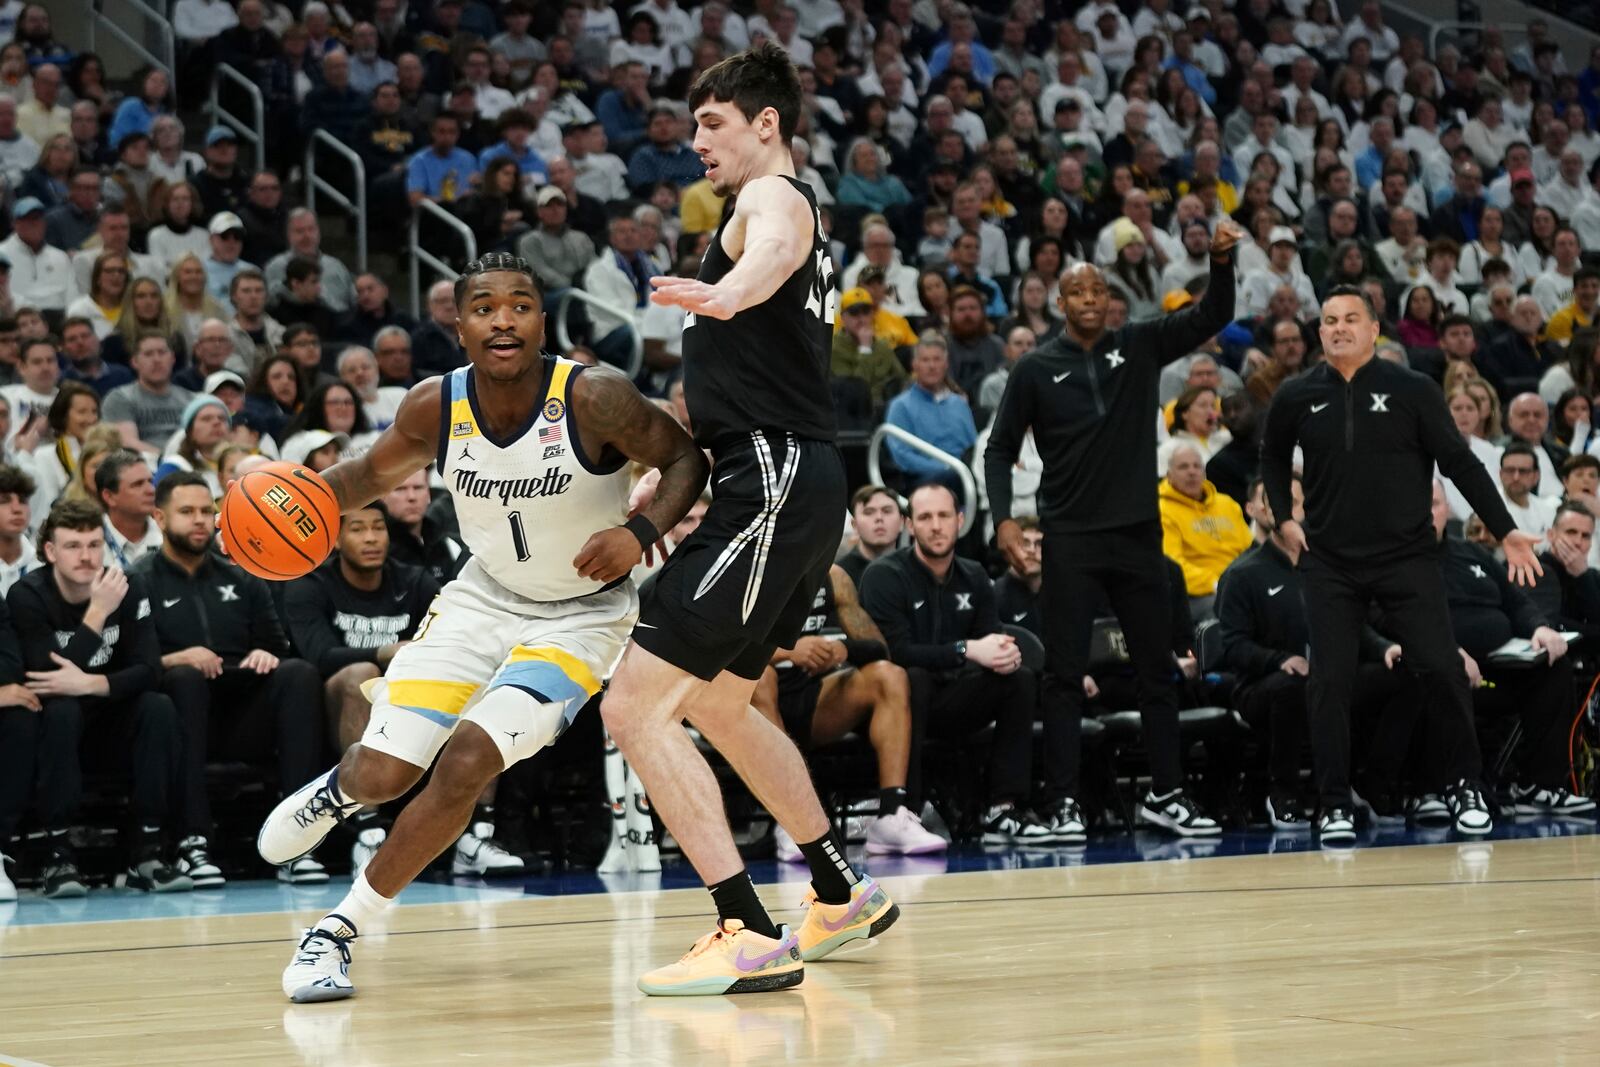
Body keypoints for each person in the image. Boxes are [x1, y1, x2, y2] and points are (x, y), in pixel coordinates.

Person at [256, 253, 708, 1001]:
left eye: (522, 305)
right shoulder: (436, 405)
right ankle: (343, 788)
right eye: (486, 307)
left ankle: (335, 929)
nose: (504, 319)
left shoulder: (595, 395)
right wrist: (278, 509)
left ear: (541, 319)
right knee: (386, 773)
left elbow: (685, 458)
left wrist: (642, 532)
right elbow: (365, 477)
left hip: (582, 619)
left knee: (468, 759)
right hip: (480, 600)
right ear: (458, 323)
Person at [600, 45, 900, 997]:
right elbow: (741, 372)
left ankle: (743, 924)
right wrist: (673, 466)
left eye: (711, 124)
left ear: (765, 123)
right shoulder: (749, 211)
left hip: (773, 475)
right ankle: (838, 890)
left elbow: (772, 249)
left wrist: (730, 290)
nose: (696, 143)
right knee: (722, 703)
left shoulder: (774, 200)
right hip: (784, 474)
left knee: (633, 704)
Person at [985, 219, 1245, 841]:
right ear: (1060, 302)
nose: (1091, 302)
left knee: (1158, 669)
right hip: (1070, 538)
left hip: (1136, 537)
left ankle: (1166, 794)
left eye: (1099, 293)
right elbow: (998, 451)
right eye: (1079, 294)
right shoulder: (1034, 369)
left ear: (1109, 301)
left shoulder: (1142, 344)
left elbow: (1214, 314)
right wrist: (1002, 522)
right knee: (1065, 676)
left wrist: (1221, 262)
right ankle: (1064, 802)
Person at [1259, 285, 1542, 845]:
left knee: (1440, 668)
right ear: (1320, 333)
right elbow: (1270, 457)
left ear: (1373, 329)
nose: (1339, 328)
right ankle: (1334, 802)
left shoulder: (1412, 389)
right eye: (1330, 321)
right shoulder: (1295, 395)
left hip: (1407, 556)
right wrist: (1284, 522)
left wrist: (1506, 530)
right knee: (1330, 682)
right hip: (1330, 560)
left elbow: (1458, 461)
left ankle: (1466, 786)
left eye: (1350, 319)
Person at [134, 471, 323, 889]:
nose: (200, 520)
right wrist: (174, 658)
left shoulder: (242, 573)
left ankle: (297, 839)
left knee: (298, 675)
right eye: (187, 512)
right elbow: (132, 664)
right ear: (160, 519)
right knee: (183, 680)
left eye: (207, 511)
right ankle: (192, 841)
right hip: (178, 716)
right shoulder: (140, 579)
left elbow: (279, 644)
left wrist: (266, 653)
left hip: (240, 711)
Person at [4, 498, 191, 896]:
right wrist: (97, 614)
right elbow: (49, 678)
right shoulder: (27, 595)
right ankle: (58, 853)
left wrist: (94, 684)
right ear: (51, 551)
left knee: (158, 707)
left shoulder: (128, 586)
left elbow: (149, 669)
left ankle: (147, 849)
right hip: (54, 728)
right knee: (62, 710)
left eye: (93, 545)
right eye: (73, 546)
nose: (87, 557)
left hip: (110, 716)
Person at [1215, 474, 1414, 829]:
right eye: (1277, 502)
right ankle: (1283, 793)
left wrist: (1386, 647)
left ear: (1306, 507)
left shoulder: (1328, 567)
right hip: (1263, 685)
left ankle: (1372, 783)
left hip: (1330, 677)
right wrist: (1279, 660)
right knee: (1293, 688)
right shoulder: (1243, 574)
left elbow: (1356, 625)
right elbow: (1232, 645)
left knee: (1406, 674)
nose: (1285, 510)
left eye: (1292, 501)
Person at [752, 562, 945, 859]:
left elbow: (879, 647)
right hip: (746, 710)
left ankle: (892, 814)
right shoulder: (744, 568)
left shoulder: (833, 576)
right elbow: (715, 648)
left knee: (888, 675)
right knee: (761, 679)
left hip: (813, 699)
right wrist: (786, 651)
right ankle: (792, 821)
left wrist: (843, 648)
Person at [1429, 482, 1593, 816]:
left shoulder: (1472, 553)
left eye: (1433, 503)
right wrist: (1450, 651)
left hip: (1500, 666)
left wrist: (1540, 628)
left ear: (1447, 509)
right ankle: (1455, 787)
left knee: (1554, 667)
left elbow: (1515, 601)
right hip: (1444, 668)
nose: (1426, 512)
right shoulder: (1401, 564)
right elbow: (1395, 618)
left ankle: (1539, 785)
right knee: (1441, 673)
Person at [1158, 441, 1252, 621]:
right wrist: (1216, 583)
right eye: (1183, 467)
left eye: (1197, 466)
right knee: (1226, 607)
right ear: (1169, 475)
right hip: (1198, 595)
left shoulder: (1227, 504)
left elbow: (1250, 550)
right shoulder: (1163, 510)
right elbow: (1174, 566)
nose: (1192, 471)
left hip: (1238, 585)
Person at [837, 483, 901, 586]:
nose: (879, 518)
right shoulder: (838, 575)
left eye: (887, 511)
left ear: (902, 522)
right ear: (855, 525)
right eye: (869, 512)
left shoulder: (917, 570)